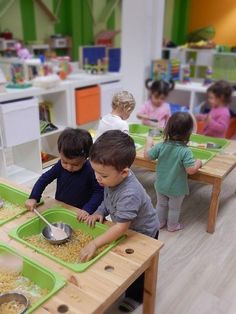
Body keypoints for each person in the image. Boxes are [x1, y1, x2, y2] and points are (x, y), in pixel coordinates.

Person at [78, 130, 160, 312]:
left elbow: (121, 227)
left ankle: (135, 296)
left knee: (138, 269)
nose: (98, 178)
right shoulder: (110, 179)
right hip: (127, 227)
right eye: (95, 172)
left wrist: (94, 243)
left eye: (103, 175)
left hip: (144, 233)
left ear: (124, 173)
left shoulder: (129, 193)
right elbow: (108, 200)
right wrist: (99, 211)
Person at [25, 128, 104, 219]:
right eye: (65, 162)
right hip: (61, 207)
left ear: (86, 157)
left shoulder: (91, 170)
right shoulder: (59, 166)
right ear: (60, 153)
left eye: (75, 164)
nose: (69, 167)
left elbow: (99, 192)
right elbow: (44, 179)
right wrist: (33, 197)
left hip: (81, 212)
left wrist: (88, 209)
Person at [144, 112, 202, 232]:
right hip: (177, 189)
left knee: (160, 205)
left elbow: (147, 156)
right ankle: (172, 226)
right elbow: (191, 170)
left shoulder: (161, 145)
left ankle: (159, 223)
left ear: (167, 129)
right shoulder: (186, 151)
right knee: (174, 209)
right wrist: (199, 163)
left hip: (161, 185)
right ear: (188, 133)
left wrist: (148, 144)